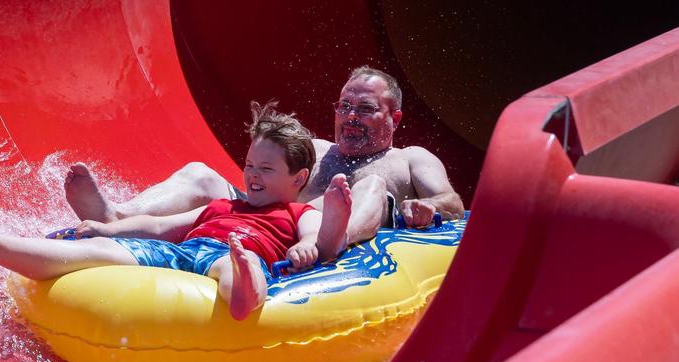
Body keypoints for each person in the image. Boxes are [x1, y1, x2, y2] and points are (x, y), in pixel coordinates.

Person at [0, 102, 350, 321]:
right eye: (248, 165)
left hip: (235, 255)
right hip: (183, 253)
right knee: (97, 254)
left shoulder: (296, 213)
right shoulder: (222, 205)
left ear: (298, 178)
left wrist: (307, 248)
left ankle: (245, 294)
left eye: (266, 169)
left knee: (234, 265)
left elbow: (317, 236)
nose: (252, 175)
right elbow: (161, 225)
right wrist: (109, 232)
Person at [63, 66, 465, 249]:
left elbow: (454, 203)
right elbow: (262, 164)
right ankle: (117, 215)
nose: (350, 118)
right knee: (201, 173)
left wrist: (427, 206)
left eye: (364, 109)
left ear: (394, 117)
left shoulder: (410, 158)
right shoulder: (317, 148)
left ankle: (334, 239)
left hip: (316, 238)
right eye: (344, 107)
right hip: (266, 224)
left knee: (370, 184)